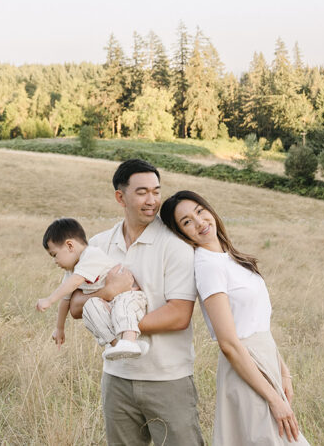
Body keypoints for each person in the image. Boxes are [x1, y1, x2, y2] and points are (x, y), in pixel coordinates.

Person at [69, 159, 203, 446]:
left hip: (168, 378)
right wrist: (108, 292)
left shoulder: (176, 247)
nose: (152, 200)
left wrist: (118, 322)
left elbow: (179, 316)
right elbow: (75, 308)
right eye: (142, 192)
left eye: (156, 191)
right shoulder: (97, 245)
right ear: (121, 197)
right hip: (116, 378)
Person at [160, 190, 309, 445]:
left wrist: (283, 371)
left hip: (265, 360)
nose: (199, 222)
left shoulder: (228, 257)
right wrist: (273, 399)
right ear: (181, 233)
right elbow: (229, 343)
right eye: (186, 222)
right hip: (246, 369)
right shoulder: (208, 266)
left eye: (199, 211)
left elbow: (257, 323)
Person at [35, 217, 150, 361]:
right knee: (90, 308)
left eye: (55, 255)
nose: (55, 262)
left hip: (130, 296)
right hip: (110, 305)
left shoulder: (91, 255)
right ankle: (117, 345)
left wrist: (49, 300)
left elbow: (75, 282)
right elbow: (65, 301)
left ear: (70, 245)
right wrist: (59, 328)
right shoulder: (71, 272)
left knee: (123, 304)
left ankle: (129, 341)